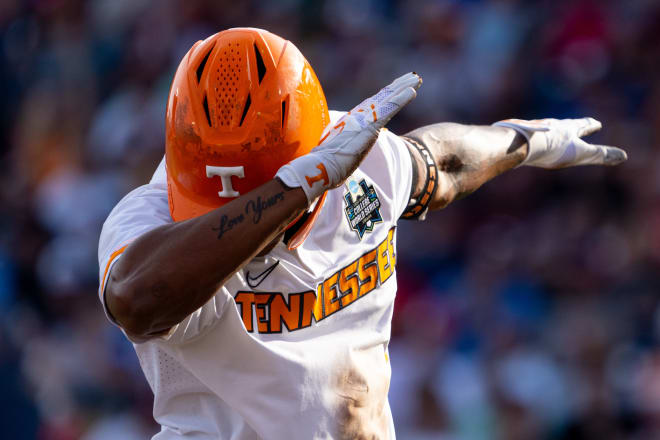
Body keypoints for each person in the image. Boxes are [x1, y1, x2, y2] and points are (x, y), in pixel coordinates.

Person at [98, 28, 627, 439]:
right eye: (224, 204)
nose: (243, 210)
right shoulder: (147, 223)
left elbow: (441, 164)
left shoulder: (358, 159)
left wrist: (525, 141)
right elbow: (136, 298)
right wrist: (289, 192)